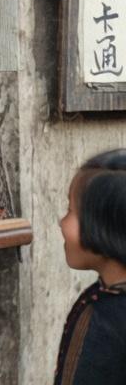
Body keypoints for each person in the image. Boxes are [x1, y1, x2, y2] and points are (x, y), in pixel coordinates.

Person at [54, 149, 126, 384]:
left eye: (70, 212)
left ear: (103, 229)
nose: (61, 222)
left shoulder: (103, 321)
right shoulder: (104, 295)